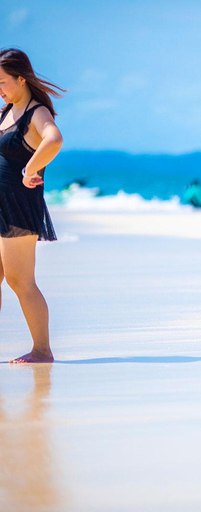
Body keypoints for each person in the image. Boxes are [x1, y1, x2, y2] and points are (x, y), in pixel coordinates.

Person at [0, 48, 64, 363]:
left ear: (21, 78)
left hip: (17, 205)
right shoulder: (6, 111)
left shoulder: (36, 112)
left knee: (19, 280)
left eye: (2, 82)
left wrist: (31, 168)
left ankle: (42, 350)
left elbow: (54, 139)